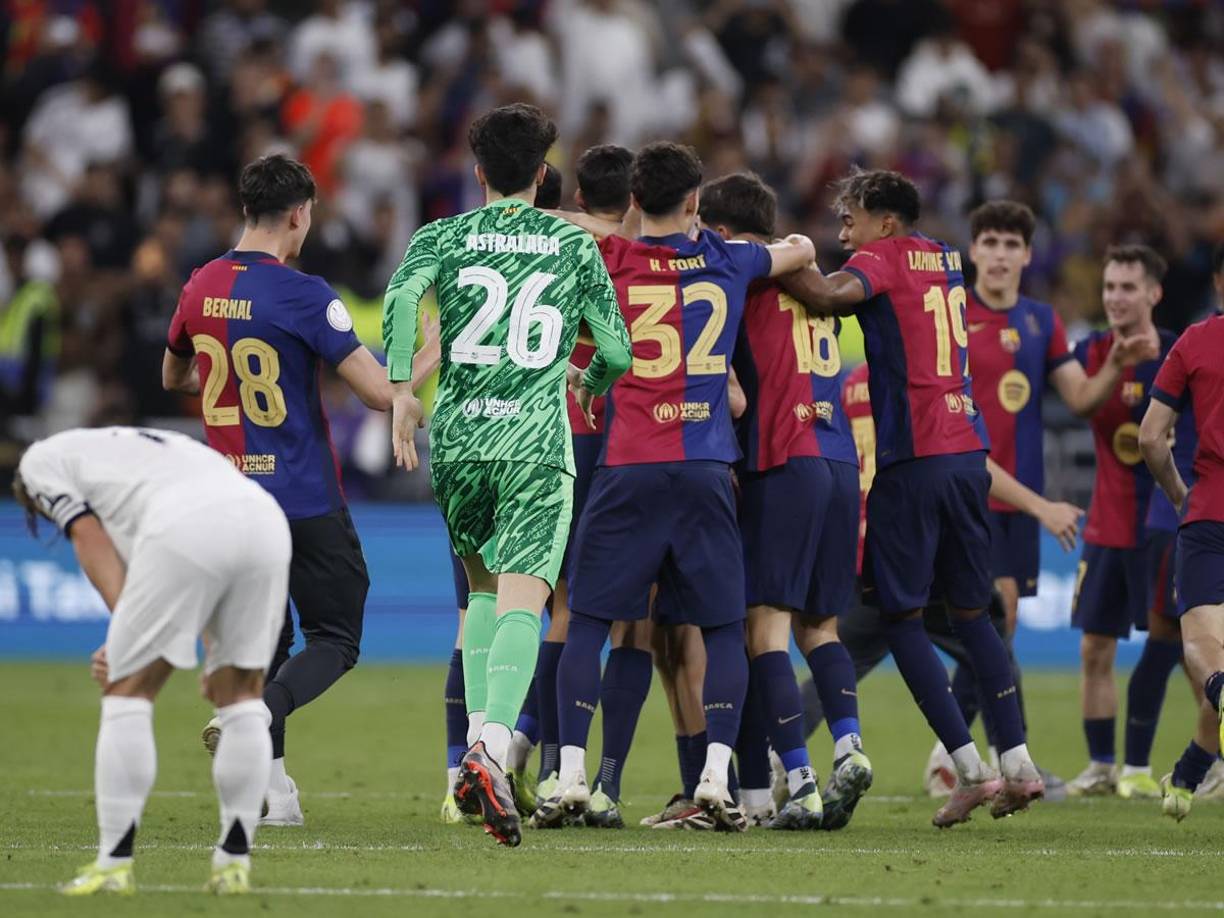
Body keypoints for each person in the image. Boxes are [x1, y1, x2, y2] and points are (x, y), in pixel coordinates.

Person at [538, 142, 816, 832]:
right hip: (705, 468)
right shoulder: (728, 259)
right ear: (695, 203)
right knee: (723, 629)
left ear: (633, 201)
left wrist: (613, 227)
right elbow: (800, 250)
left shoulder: (612, 258)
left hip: (629, 464)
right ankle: (717, 779)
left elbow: (554, 227)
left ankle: (570, 773)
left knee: (588, 621)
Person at [382, 103, 632, 847]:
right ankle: (490, 748)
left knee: (483, 592)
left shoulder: (442, 237)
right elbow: (616, 348)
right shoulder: (570, 244)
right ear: (545, 173)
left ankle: (477, 749)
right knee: (529, 594)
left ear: (480, 171)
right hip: (532, 444)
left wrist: (402, 393)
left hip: (458, 442)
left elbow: (399, 299)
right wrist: (589, 381)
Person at [162, 153, 433, 827]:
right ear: (299, 214)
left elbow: (175, 377)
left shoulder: (200, 285)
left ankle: (271, 793)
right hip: (301, 498)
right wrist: (436, 349)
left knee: (263, 643)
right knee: (336, 635)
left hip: (226, 499)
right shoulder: (304, 294)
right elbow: (378, 394)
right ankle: (257, 720)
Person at [778, 167, 1041, 827]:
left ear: (885, 220)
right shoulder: (944, 258)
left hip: (914, 456)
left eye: (850, 218)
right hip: (965, 450)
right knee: (974, 615)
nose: (842, 233)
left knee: (902, 620)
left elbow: (830, 298)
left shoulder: (883, 257)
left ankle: (970, 768)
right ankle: (1019, 764)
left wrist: (774, 260)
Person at [927, 200, 1156, 796]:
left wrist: (1117, 366)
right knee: (992, 622)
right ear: (972, 251)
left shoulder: (1040, 322)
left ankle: (975, 755)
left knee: (997, 631)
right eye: (990, 243)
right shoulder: (952, 312)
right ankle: (980, 755)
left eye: (1011, 245)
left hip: (1017, 502)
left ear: (1027, 256)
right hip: (966, 492)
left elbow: (1080, 399)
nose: (1000, 255)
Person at [799, 361, 1085, 822]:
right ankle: (1006, 761)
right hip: (941, 520)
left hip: (888, 537)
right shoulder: (947, 374)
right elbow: (972, 457)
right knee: (983, 631)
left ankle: (785, 759)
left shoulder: (856, 386)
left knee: (840, 657)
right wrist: (1039, 506)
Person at [15, 427, 292, 896]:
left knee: (127, 690)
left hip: (190, 523)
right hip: (264, 518)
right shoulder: (142, 451)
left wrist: (124, 639)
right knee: (241, 697)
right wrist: (210, 650)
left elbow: (88, 535)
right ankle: (233, 864)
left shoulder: (39, 462)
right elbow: (212, 533)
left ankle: (114, 864)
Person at [697, 171, 869, 831]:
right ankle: (848, 744)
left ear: (719, 232)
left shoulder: (744, 275)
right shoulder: (804, 273)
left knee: (762, 629)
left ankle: (799, 780)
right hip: (838, 459)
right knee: (818, 627)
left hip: (783, 458)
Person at [1062, 246, 1191, 798]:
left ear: (1153, 293)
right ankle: (1102, 765)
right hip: (1107, 523)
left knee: (1191, 648)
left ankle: (1210, 751)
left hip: (1163, 523)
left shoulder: (1183, 354)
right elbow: (1082, 405)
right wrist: (1115, 361)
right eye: (1110, 286)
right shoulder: (1091, 351)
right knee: (1095, 649)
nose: (1115, 296)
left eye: (1128, 287)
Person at [1141, 241, 1224, 821]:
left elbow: (1150, 437)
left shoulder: (1194, 342)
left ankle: (1191, 770)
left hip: (1209, 511)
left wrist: (1177, 494)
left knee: (1201, 646)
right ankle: (1192, 773)